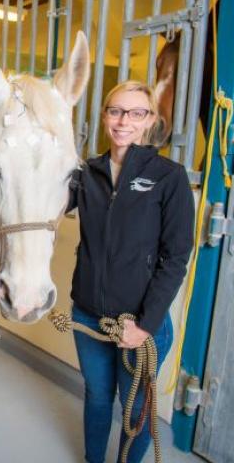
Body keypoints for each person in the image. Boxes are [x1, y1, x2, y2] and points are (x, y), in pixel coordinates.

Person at [67, 80, 194, 462]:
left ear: (150, 119)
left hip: (139, 323)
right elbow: (42, 207)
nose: (124, 121)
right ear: (105, 116)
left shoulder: (168, 177)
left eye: (136, 113)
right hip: (88, 315)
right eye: (115, 111)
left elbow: (176, 257)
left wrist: (145, 325)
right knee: (97, 396)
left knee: (136, 409)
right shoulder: (86, 173)